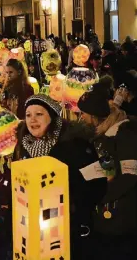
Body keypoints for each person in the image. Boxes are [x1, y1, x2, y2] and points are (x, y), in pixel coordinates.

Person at [13, 94, 107, 259]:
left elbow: (98, 185)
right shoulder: (22, 146)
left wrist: (72, 205)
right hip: (32, 233)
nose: (32, 120)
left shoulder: (76, 145)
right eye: (28, 115)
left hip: (69, 229)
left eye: (39, 114)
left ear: (52, 117)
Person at [78, 83, 137, 260]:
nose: (81, 118)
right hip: (101, 217)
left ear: (94, 116)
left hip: (118, 217)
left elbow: (128, 177)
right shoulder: (99, 134)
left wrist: (100, 196)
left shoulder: (123, 134)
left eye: (83, 114)